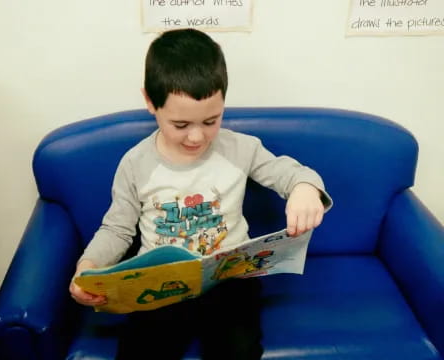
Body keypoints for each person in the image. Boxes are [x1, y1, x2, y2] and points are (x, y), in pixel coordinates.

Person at [70, 28, 332, 360]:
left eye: (211, 121)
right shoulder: (136, 163)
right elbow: (117, 228)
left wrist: (305, 188)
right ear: (151, 102)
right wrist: (88, 266)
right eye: (180, 125)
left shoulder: (241, 148)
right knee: (140, 351)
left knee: (238, 349)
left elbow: (290, 173)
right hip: (162, 285)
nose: (197, 137)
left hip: (230, 280)